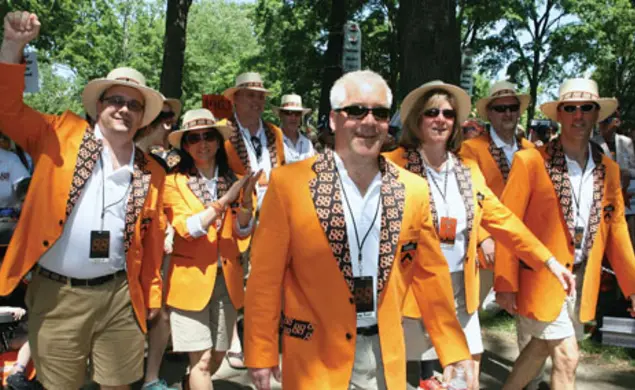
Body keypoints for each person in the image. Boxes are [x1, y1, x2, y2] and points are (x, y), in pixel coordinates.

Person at [244, 70, 474, 390]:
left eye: (379, 113)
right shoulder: (289, 185)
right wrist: (261, 351)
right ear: (334, 120)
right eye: (355, 111)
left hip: (384, 350)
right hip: (316, 356)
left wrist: (454, 350)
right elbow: (264, 280)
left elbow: (430, 277)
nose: (368, 122)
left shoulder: (413, 189)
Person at [0, 12, 166, 389]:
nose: (123, 108)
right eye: (115, 100)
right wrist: (13, 47)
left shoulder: (151, 171)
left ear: (142, 118)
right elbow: (6, 110)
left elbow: (153, 240)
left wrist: (153, 293)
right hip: (59, 294)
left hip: (121, 294)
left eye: (134, 105)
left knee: (119, 385)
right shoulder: (59, 133)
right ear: (98, 105)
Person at [384, 80, 574, 389]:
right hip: (411, 290)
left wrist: (549, 262)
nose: (441, 119)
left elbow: (504, 220)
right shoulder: (392, 167)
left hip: (462, 288)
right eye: (432, 112)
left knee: (467, 377)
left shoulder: (467, 168)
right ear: (417, 118)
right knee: (406, 377)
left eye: (448, 113)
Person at [495, 78, 635, 390]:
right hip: (541, 277)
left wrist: (632, 286)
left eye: (587, 107)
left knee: (537, 351)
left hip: (582, 280)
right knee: (567, 356)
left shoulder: (608, 170)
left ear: (597, 113)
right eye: (570, 108)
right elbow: (508, 222)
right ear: (559, 114)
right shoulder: (530, 161)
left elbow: (617, 231)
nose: (579, 114)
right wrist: (504, 281)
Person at [163, 108, 259, 390]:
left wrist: (244, 205)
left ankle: (187, 384)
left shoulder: (236, 179)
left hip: (225, 280)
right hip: (188, 281)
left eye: (208, 136)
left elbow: (243, 232)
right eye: (193, 138)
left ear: (218, 141)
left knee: (217, 357)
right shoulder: (173, 183)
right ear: (185, 145)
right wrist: (223, 201)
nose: (202, 143)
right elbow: (187, 229)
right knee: (202, 361)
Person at [136, 98, 180, 390]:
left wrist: (168, 231)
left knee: (159, 314)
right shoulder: (109, 156)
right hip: (113, 266)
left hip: (150, 259)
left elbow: (161, 212)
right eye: (165, 118)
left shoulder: (158, 168)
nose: (170, 124)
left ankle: (151, 378)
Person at [273, 93, 316, 164]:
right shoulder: (271, 140)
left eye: (297, 113)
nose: (293, 118)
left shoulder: (307, 143)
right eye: (289, 113)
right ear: (281, 115)